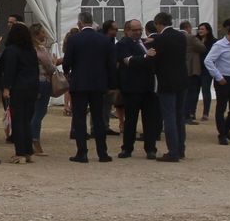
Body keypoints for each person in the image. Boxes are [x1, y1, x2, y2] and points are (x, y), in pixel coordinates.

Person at [63, 12, 114, 163]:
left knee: (79, 118)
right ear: (92, 23)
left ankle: (82, 152)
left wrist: (67, 73)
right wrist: (111, 84)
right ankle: (102, 153)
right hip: (98, 84)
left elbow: (67, 62)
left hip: (79, 83)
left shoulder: (74, 39)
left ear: (79, 24)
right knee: (98, 118)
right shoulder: (104, 40)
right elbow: (110, 65)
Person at [114, 19, 160, 160]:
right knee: (131, 121)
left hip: (148, 88)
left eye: (140, 29)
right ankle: (127, 148)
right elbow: (128, 61)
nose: (138, 32)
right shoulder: (123, 44)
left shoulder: (145, 43)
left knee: (149, 121)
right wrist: (146, 56)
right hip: (132, 88)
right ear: (127, 31)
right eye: (135, 30)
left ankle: (150, 149)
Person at [150, 13, 188, 162]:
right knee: (179, 116)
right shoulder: (181, 36)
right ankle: (180, 149)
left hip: (166, 81)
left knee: (169, 117)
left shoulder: (160, 39)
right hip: (182, 79)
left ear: (158, 24)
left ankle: (172, 151)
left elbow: (155, 59)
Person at [0, 22, 39, 163]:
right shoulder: (31, 50)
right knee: (26, 121)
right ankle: (28, 152)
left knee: (18, 121)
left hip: (18, 88)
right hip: (32, 88)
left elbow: (9, 71)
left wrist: (6, 88)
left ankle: (20, 153)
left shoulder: (11, 50)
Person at [29, 23, 57, 156]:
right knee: (39, 113)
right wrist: (55, 63)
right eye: (43, 32)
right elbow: (50, 67)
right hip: (42, 82)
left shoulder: (27, 49)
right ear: (37, 34)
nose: (45, 35)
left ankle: (30, 140)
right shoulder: (40, 49)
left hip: (31, 83)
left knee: (33, 112)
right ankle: (34, 140)